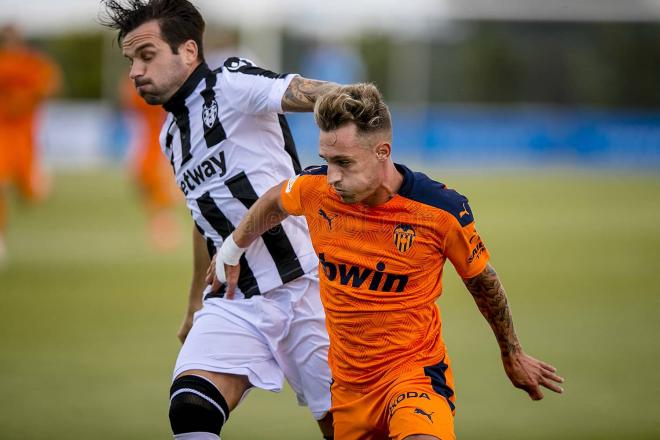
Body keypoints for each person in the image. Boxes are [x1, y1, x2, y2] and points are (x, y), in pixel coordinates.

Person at [210, 83, 565, 440]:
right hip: (349, 390)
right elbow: (275, 200)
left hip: (414, 376)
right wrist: (233, 248)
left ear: (382, 152)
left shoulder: (440, 210)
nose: (332, 176)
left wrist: (512, 352)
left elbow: (482, 280)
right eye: (327, 161)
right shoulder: (314, 189)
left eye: (344, 163)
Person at [100, 0, 340, 438]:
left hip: (309, 285)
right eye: (131, 60)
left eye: (146, 56)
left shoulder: (230, 81)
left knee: (345, 428)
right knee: (191, 408)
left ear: (189, 51)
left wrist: (353, 108)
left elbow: (311, 92)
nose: (135, 71)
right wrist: (194, 300)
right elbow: (203, 216)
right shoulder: (170, 135)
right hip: (237, 300)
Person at [0, 24, 60, 263]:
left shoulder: (31, 64)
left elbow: (51, 82)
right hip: (3, 134)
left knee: (31, 195)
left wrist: (31, 98)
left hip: (25, 136)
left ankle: (40, 181)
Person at [120, 77, 182, 251]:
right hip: (152, 152)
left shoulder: (137, 91)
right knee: (160, 197)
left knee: (157, 197)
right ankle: (162, 231)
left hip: (144, 152)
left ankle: (161, 229)